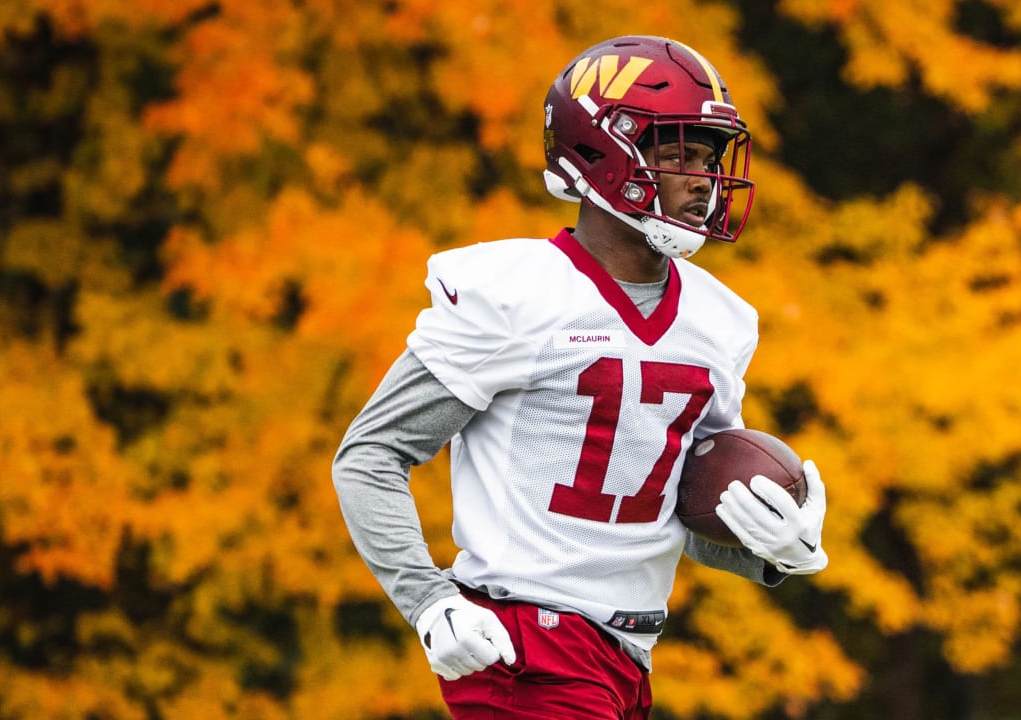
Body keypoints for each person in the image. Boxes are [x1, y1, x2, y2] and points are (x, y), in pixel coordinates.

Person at [332, 35, 828, 719]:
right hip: (525, 651)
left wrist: (773, 552)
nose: (704, 179)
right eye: (679, 152)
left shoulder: (720, 320)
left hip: (624, 660)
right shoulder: (516, 296)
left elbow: (676, 510)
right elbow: (369, 457)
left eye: (711, 157)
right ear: (603, 152)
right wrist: (428, 600)